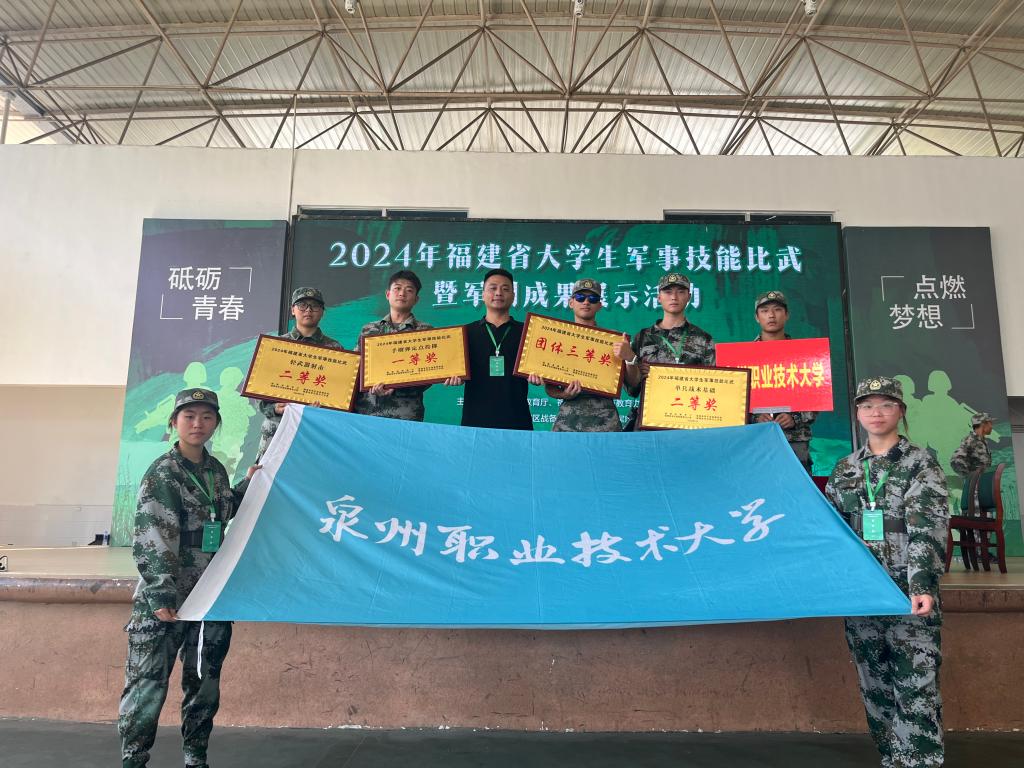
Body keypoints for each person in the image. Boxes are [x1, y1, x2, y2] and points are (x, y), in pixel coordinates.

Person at [119, 389, 259, 768]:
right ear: (174, 422)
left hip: (209, 595)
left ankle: (196, 757)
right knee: (147, 684)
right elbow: (153, 536)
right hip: (167, 599)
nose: (198, 424)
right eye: (189, 416)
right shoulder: (163, 473)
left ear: (216, 423)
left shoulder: (215, 470)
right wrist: (161, 592)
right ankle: (133, 760)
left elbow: (222, 509)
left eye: (207, 417)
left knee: (204, 683)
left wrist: (249, 483)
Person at [825, 376, 948, 768]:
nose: (875, 413)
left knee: (916, 682)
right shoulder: (845, 469)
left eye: (885, 405)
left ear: (901, 411)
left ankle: (920, 761)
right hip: (862, 593)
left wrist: (922, 584)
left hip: (906, 590)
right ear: (858, 413)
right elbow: (830, 532)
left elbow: (928, 528)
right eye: (867, 406)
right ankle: (893, 758)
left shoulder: (920, 464)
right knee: (874, 684)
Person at [612, 272, 714, 431]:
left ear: (689, 297)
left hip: (687, 424)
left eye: (681, 291)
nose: (674, 297)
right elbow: (632, 389)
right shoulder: (642, 337)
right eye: (668, 292)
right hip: (649, 425)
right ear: (659, 297)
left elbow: (713, 385)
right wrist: (630, 359)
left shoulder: (703, 339)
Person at [255, 287, 343, 458]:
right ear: (293, 310)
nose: (308, 310)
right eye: (302, 305)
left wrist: (325, 407)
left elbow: (339, 393)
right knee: (266, 473)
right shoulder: (275, 346)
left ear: (322, 312)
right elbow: (258, 390)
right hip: (278, 427)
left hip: (316, 431)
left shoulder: (335, 349)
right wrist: (274, 408)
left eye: (314, 306)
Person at [445, 268, 532, 430]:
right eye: (493, 288)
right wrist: (455, 376)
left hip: (517, 420)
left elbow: (540, 367)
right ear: (483, 295)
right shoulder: (465, 333)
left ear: (513, 296)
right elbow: (456, 369)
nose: (498, 293)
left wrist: (539, 374)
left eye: (505, 289)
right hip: (475, 421)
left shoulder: (528, 333)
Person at [536, 278, 623, 432]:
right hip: (568, 421)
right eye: (580, 298)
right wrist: (565, 394)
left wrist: (630, 359)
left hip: (606, 421)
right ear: (571, 302)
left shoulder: (613, 341)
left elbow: (632, 384)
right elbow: (550, 388)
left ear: (600, 305)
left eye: (593, 298)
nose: (586, 302)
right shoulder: (559, 340)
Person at [751, 289, 817, 472]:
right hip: (756, 437)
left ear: (787, 315)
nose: (771, 315)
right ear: (757, 317)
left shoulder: (804, 355)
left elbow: (817, 397)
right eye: (765, 311)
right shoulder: (744, 356)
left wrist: (795, 417)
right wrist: (755, 418)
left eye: (777, 309)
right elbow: (735, 398)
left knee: (797, 486)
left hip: (795, 440)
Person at [354, 270, 433, 421]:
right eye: (397, 288)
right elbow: (356, 367)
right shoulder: (368, 329)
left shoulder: (425, 331)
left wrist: (398, 385)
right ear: (387, 294)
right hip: (368, 412)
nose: (402, 293)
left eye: (409, 290)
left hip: (406, 413)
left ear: (416, 299)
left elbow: (430, 374)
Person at [950, 411, 994, 479]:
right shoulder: (970, 440)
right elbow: (955, 461)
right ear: (983, 424)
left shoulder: (982, 441)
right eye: (990, 423)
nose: (991, 426)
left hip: (982, 481)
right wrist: (969, 477)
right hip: (975, 483)